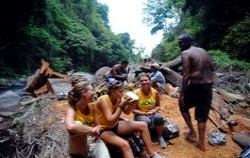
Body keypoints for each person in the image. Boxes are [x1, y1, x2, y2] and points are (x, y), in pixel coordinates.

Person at [96, 79, 162, 158]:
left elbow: (127, 112)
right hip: (104, 129)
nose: (122, 93)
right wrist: (121, 105)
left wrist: (131, 103)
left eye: (122, 91)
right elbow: (110, 119)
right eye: (120, 92)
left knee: (143, 125)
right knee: (125, 144)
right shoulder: (104, 100)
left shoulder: (118, 98)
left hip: (115, 125)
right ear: (112, 92)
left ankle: (152, 154)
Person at [178, 34, 214, 151]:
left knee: (182, 105)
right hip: (208, 86)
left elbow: (186, 75)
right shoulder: (202, 50)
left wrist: (182, 94)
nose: (179, 45)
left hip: (196, 86)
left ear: (188, 42)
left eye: (181, 43)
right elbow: (211, 67)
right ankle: (201, 143)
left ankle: (192, 132)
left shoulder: (186, 53)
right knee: (202, 116)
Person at [65, 81, 110, 158]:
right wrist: (91, 130)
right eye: (92, 90)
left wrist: (97, 129)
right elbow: (70, 126)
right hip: (79, 144)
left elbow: (98, 125)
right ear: (84, 93)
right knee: (77, 124)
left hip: (93, 140)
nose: (95, 92)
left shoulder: (93, 106)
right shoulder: (71, 109)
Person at [132, 73, 167, 149]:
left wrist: (153, 111)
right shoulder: (136, 93)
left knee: (159, 118)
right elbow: (133, 110)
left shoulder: (155, 92)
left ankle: (160, 137)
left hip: (152, 113)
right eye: (142, 81)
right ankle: (142, 139)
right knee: (146, 121)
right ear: (139, 83)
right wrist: (145, 113)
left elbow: (158, 106)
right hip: (140, 115)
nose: (144, 82)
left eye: (146, 80)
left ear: (150, 81)